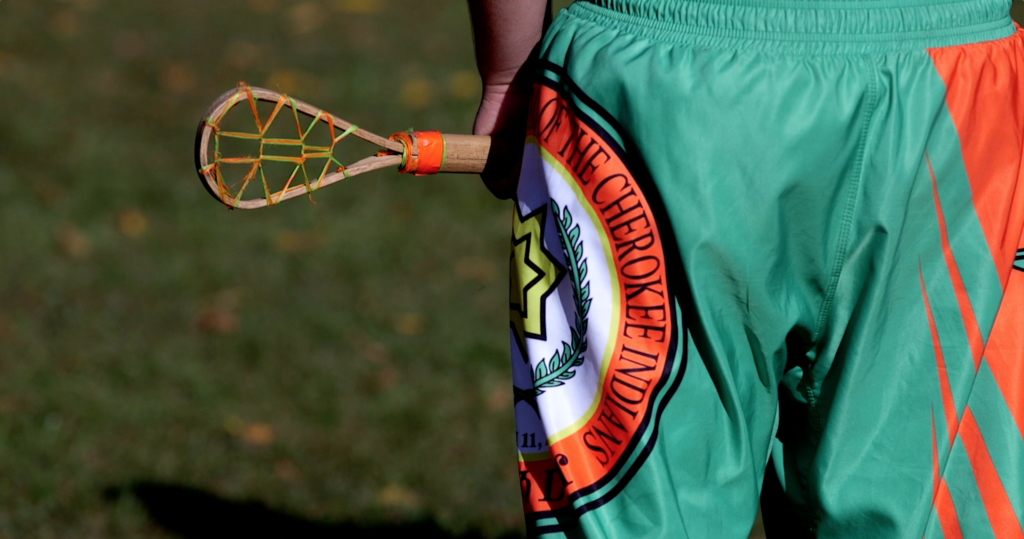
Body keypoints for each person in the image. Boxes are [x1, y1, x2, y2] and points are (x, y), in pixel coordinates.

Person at [469, 0, 1024, 537]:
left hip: (658, 89)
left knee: (639, 517)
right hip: (958, 93)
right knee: (928, 504)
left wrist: (508, 76)